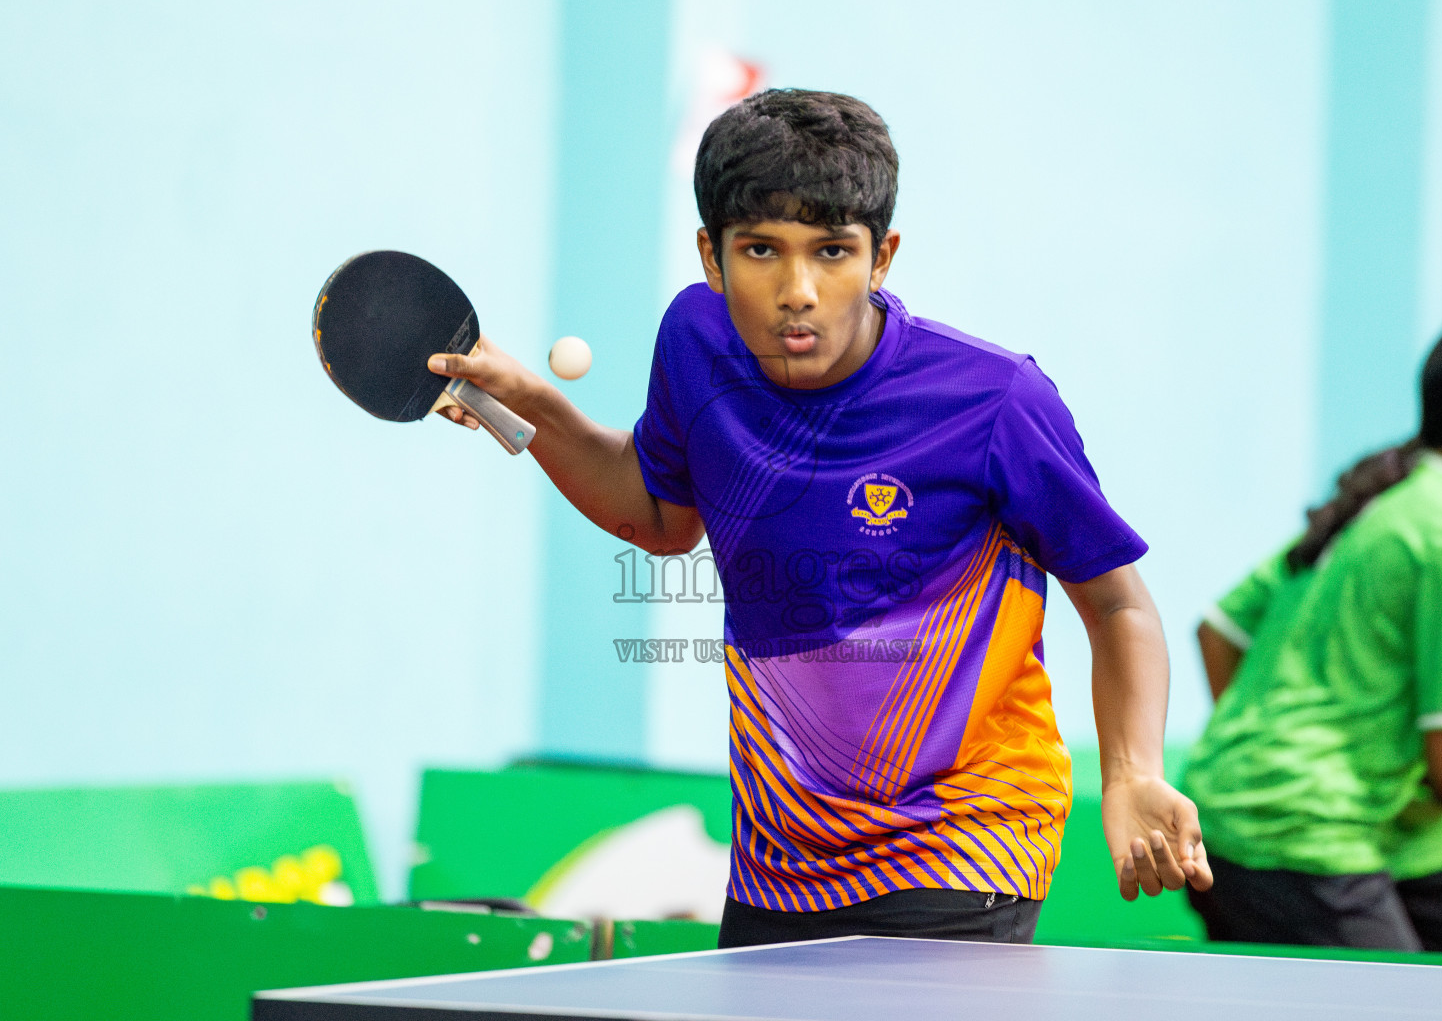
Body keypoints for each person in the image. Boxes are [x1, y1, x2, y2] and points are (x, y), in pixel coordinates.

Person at [426, 88, 1212, 947]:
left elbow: (1118, 603)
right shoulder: (696, 341)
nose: (797, 291)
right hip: (780, 856)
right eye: (761, 250)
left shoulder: (992, 402)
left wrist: (1134, 769)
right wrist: (533, 407)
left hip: (964, 841)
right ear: (711, 256)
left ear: (882, 259)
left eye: (832, 252)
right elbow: (658, 515)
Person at [1182, 311, 1442, 950]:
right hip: (1297, 826)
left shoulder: (1393, 494)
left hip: (1342, 811)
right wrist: (1283, 765)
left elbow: (1219, 629)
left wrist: (1253, 739)